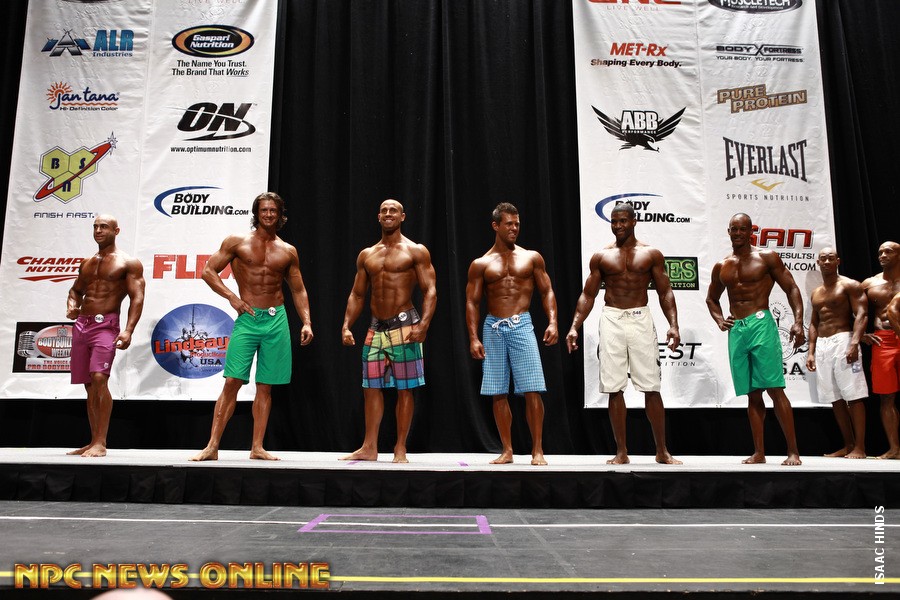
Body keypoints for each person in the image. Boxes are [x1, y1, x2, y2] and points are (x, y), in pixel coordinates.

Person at [190, 192, 313, 461]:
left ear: (280, 215)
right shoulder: (237, 242)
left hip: (276, 319)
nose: (268, 215)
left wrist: (306, 321)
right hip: (248, 318)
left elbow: (298, 289)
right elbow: (208, 271)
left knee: (265, 386)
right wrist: (232, 297)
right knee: (232, 381)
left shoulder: (288, 250)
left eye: (273, 211)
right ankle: (212, 446)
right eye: (264, 210)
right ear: (256, 213)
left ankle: (257, 447)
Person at [566, 202, 681, 465]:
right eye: (614, 221)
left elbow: (665, 291)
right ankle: (621, 452)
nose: (618, 226)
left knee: (651, 386)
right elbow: (588, 295)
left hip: (640, 317)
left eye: (623, 221)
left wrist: (673, 325)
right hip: (612, 318)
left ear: (634, 221)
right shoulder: (601, 257)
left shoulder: (651, 254)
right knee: (614, 387)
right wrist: (574, 326)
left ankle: (662, 450)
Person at [340, 199, 437, 463]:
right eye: (384, 210)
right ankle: (369, 447)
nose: (388, 213)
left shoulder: (415, 251)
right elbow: (357, 294)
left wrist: (424, 325)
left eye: (393, 210)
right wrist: (347, 325)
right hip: (376, 328)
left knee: (405, 389)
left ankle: (400, 448)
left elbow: (430, 290)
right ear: (378, 217)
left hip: (405, 325)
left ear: (402, 216)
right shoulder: (367, 254)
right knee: (370, 387)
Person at [706, 213, 803, 465]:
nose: (738, 233)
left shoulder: (767, 257)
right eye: (734, 229)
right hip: (737, 329)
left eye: (742, 229)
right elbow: (711, 298)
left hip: (761, 323)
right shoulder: (722, 265)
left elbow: (791, 287)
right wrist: (720, 320)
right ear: (728, 231)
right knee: (752, 393)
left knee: (775, 389)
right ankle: (759, 452)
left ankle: (793, 451)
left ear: (751, 231)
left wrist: (798, 321)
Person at [466, 203, 558, 465]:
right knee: (498, 391)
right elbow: (472, 302)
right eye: (509, 224)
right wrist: (473, 337)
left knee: (532, 389)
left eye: (517, 224)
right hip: (493, 327)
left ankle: (537, 450)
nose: (514, 228)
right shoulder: (481, 263)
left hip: (521, 324)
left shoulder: (531, 258)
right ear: (496, 226)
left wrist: (553, 322)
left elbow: (547, 291)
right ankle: (507, 450)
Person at [66, 214, 145, 457]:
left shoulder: (128, 263)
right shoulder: (87, 262)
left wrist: (128, 330)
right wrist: (72, 306)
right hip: (82, 325)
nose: (99, 230)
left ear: (116, 231)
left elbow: (137, 297)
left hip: (106, 325)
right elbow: (75, 290)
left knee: (100, 378)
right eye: (96, 227)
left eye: (104, 227)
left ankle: (101, 442)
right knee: (89, 385)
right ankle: (92, 441)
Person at [806, 247, 868, 458]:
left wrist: (854, 342)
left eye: (830, 258)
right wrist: (811, 352)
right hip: (822, 344)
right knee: (835, 397)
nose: (826, 262)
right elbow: (814, 323)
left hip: (844, 339)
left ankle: (860, 447)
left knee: (854, 395)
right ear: (818, 262)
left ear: (838, 261)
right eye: (823, 259)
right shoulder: (816, 292)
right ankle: (848, 445)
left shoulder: (849, 285)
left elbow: (862, 314)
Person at [861, 241, 900, 459]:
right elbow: (851, 308)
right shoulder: (870, 283)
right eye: (880, 252)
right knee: (887, 398)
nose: (882, 255)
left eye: (888, 252)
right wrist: (860, 334)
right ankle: (894, 449)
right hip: (883, 341)